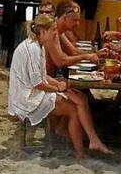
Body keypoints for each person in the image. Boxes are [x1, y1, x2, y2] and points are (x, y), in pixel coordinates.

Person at [7, 13, 112, 159]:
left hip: (33, 92)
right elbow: (38, 83)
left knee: (78, 97)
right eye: (53, 30)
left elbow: (43, 77)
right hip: (26, 99)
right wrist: (58, 88)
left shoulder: (38, 46)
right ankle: (80, 151)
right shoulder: (33, 49)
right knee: (73, 109)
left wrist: (59, 84)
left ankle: (87, 141)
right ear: (43, 31)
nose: (56, 33)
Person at [45, 1, 99, 75]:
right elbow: (60, 62)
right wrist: (85, 57)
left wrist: (96, 54)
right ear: (64, 18)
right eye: (75, 20)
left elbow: (73, 52)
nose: (78, 24)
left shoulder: (60, 31)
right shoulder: (52, 31)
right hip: (44, 81)